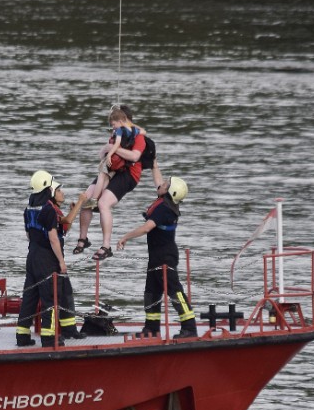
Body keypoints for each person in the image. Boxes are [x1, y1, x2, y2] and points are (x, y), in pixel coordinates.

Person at [116, 167, 198, 339]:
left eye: (166, 184)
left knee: (175, 292)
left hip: (165, 257)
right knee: (151, 293)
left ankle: (189, 327)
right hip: (156, 256)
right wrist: (153, 164)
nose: (162, 184)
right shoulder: (166, 201)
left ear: (169, 191)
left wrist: (125, 237)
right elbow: (158, 181)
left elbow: (147, 228)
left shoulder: (164, 209)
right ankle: (151, 328)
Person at [16, 171, 88, 347]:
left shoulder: (29, 209)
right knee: (50, 298)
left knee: (30, 297)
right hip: (47, 259)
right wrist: (61, 262)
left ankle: (22, 336)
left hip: (32, 255)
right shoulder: (48, 209)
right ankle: (49, 338)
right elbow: (54, 238)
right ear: (48, 188)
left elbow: (29, 234)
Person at [74, 105, 147, 262]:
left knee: (103, 203)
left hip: (128, 174)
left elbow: (134, 156)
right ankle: (83, 239)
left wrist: (112, 149)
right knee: (87, 199)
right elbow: (106, 154)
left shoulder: (138, 137)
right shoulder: (116, 134)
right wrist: (106, 151)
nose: (113, 127)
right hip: (112, 170)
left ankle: (106, 246)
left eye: (115, 123)